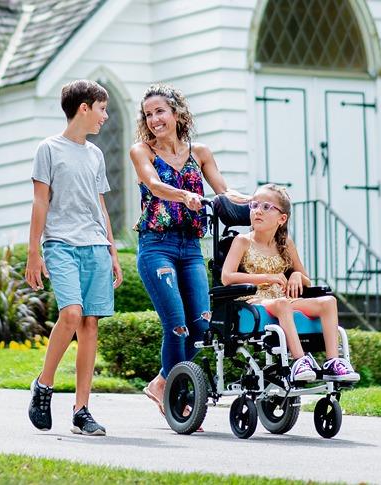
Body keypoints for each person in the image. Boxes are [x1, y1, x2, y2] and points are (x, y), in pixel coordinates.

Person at [129, 83, 246, 416]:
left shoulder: (201, 153)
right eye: (148, 114)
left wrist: (256, 202)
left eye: (160, 112)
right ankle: (175, 398)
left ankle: (163, 382)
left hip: (191, 247)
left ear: (177, 113)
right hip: (157, 246)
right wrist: (184, 196)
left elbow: (223, 192)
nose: (154, 120)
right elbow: (152, 184)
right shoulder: (142, 151)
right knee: (176, 324)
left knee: (201, 325)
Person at [25, 80, 123, 436]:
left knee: (90, 325)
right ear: (84, 108)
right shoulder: (48, 149)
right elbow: (40, 202)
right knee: (71, 314)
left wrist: (112, 250)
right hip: (61, 244)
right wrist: (34, 251)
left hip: (95, 246)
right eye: (102, 109)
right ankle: (44, 385)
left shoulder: (95, 155)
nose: (105, 116)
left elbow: (101, 207)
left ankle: (82, 410)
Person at [221, 184, 359, 382]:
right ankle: (300, 361)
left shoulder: (285, 244)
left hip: (281, 299)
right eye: (254, 205)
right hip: (255, 300)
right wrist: (267, 278)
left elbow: (306, 280)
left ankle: (333, 363)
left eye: (266, 207)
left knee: (329, 302)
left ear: (282, 218)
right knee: (283, 303)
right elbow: (227, 276)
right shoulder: (243, 241)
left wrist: (295, 276)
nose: (257, 211)